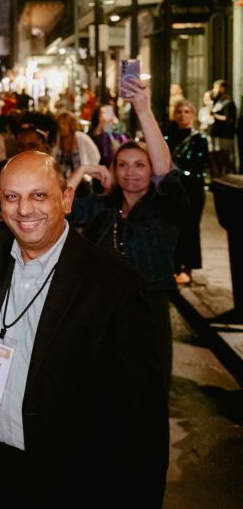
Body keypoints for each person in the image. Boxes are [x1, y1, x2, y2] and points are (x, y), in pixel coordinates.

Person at [0, 138, 167, 507]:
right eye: (11, 197)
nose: (24, 210)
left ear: (66, 200)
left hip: (63, 475)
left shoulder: (114, 284)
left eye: (39, 196)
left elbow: (141, 416)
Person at [68, 79, 191, 389]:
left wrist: (143, 110)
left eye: (140, 164)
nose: (131, 171)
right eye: (123, 164)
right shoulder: (103, 209)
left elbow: (166, 170)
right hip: (103, 312)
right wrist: (83, 172)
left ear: (151, 171)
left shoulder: (164, 209)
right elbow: (59, 209)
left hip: (149, 311)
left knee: (149, 393)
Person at [166, 100, 208, 285]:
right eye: (179, 112)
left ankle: (188, 269)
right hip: (173, 191)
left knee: (190, 230)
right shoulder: (169, 136)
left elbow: (199, 169)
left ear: (192, 114)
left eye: (186, 112)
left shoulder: (199, 139)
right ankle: (174, 267)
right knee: (174, 229)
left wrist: (178, 171)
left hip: (192, 192)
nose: (182, 115)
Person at [53, 110, 101, 185]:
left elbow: (95, 155)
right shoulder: (57, 139)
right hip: (62, 182)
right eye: (60, 124)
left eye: (64, 124)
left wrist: (87, 173)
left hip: (82, 182)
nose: (61, 126)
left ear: (71, 125)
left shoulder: (81, 138)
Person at [207, 79, 236, 176]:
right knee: (215, 157)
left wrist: (215, 115)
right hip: (215, 134)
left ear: (222, 88)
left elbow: (229, 119)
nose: (214, 90)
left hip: (224, 135)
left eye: (215, 87)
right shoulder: (217, 102)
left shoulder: (228, 103)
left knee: (223, 157)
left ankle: (226, 178)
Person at [89, 103, 127, 167]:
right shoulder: (94, 133)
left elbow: (125, 143)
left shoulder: (116, 133)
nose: (106, 115)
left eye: (108, 112)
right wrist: (101, 125)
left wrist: (116, 125)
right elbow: (91, 141)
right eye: (103, 113)